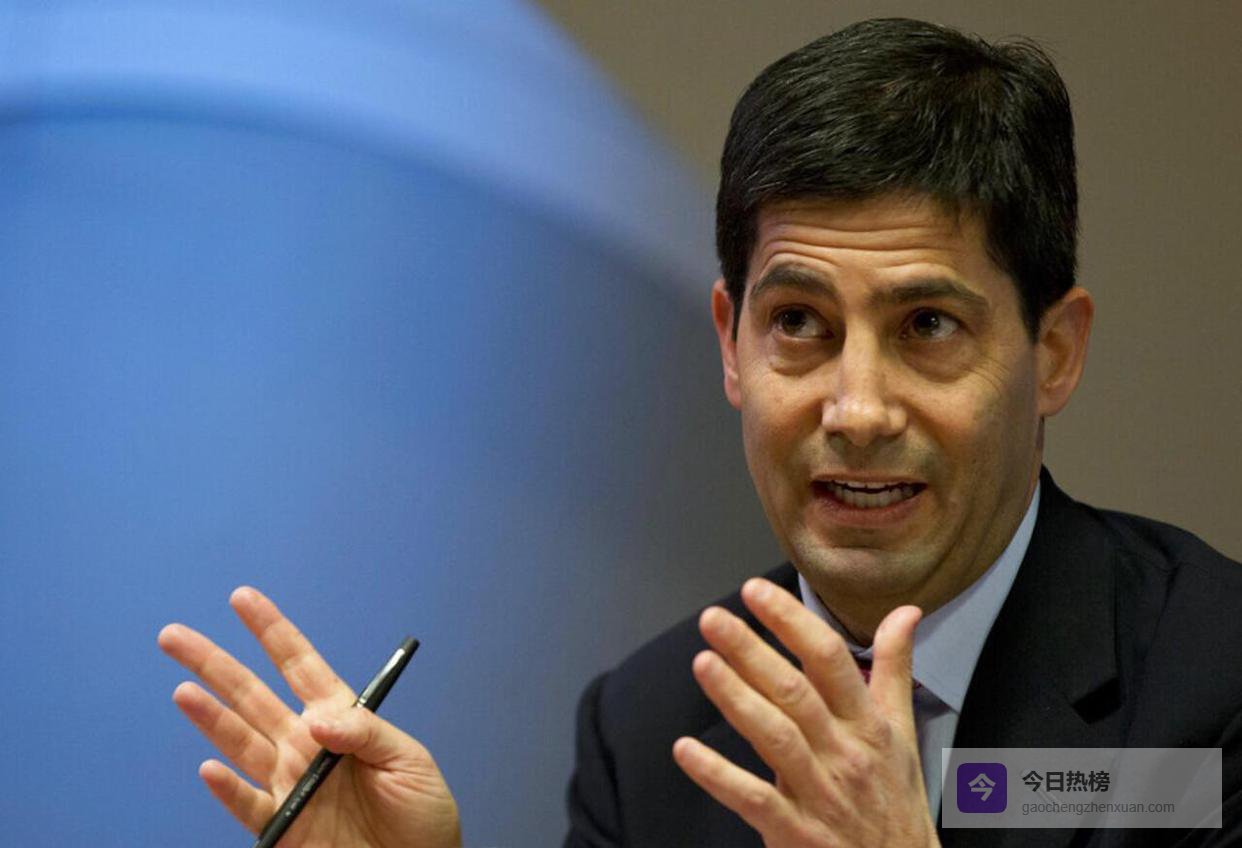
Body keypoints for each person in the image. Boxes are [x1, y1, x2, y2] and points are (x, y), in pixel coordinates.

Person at [159, 17, 1242, 847]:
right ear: (731, 342)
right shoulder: (649, 728)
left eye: (927, 326)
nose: (857, 410)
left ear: (1054, 352)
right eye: (799, 324)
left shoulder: (1210, 689)